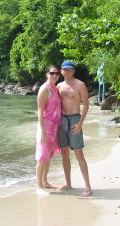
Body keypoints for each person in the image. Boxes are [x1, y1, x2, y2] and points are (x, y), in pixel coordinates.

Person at [57, 60, 92, 197]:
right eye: (65, 70)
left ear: (73, 71)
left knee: (78, 153)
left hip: (74, 119)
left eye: (70, 70)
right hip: (62, 120)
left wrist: (80, 123)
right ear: (61, 71)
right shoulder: (59, 86)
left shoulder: (80, 85)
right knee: (64, 152)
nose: (67, 72)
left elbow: (86, 105)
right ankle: (68, 183)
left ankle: (88, 186)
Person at [35, 65, 62, 196]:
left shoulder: (55, 89)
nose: (54, 75)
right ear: (47, 74)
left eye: (57, 73)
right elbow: (40, 111)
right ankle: (39, 186)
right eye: (52, 73)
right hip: (45, 127)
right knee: (42, 156)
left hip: (54, 128)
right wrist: (43, 131)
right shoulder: (44, 89)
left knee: (49, 155)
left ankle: (45, 181)